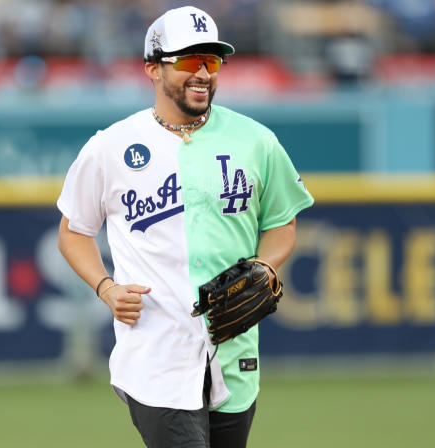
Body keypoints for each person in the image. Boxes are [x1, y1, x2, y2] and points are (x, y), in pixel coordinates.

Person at [57, 6, 314, 448]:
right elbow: (73, 231)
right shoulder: (111, 147)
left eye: (211, 62)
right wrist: (106, 288)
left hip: (233, 353)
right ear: (153, 69)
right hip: (157, 353)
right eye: (189, 61)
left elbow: (281, 223)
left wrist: (265, 266)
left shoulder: (256, 141)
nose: (203, 73)